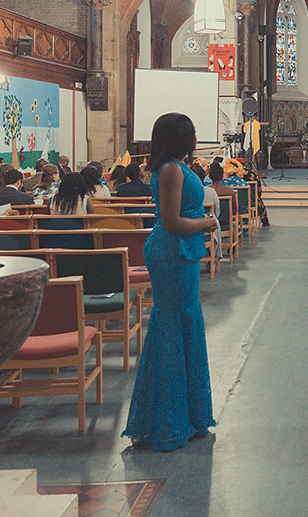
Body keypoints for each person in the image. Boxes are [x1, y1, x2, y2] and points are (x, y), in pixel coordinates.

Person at [123, 112, 219, 451]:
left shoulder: (175, 166)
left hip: (181, 252)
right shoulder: (171, 170)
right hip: (172, 251)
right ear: (181, 137)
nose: (196, 137)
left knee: (182, 325)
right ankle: (168, 419)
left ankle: (185, 415)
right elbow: (172, 222)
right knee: (173, 327)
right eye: (191, 133)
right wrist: (207, 224)